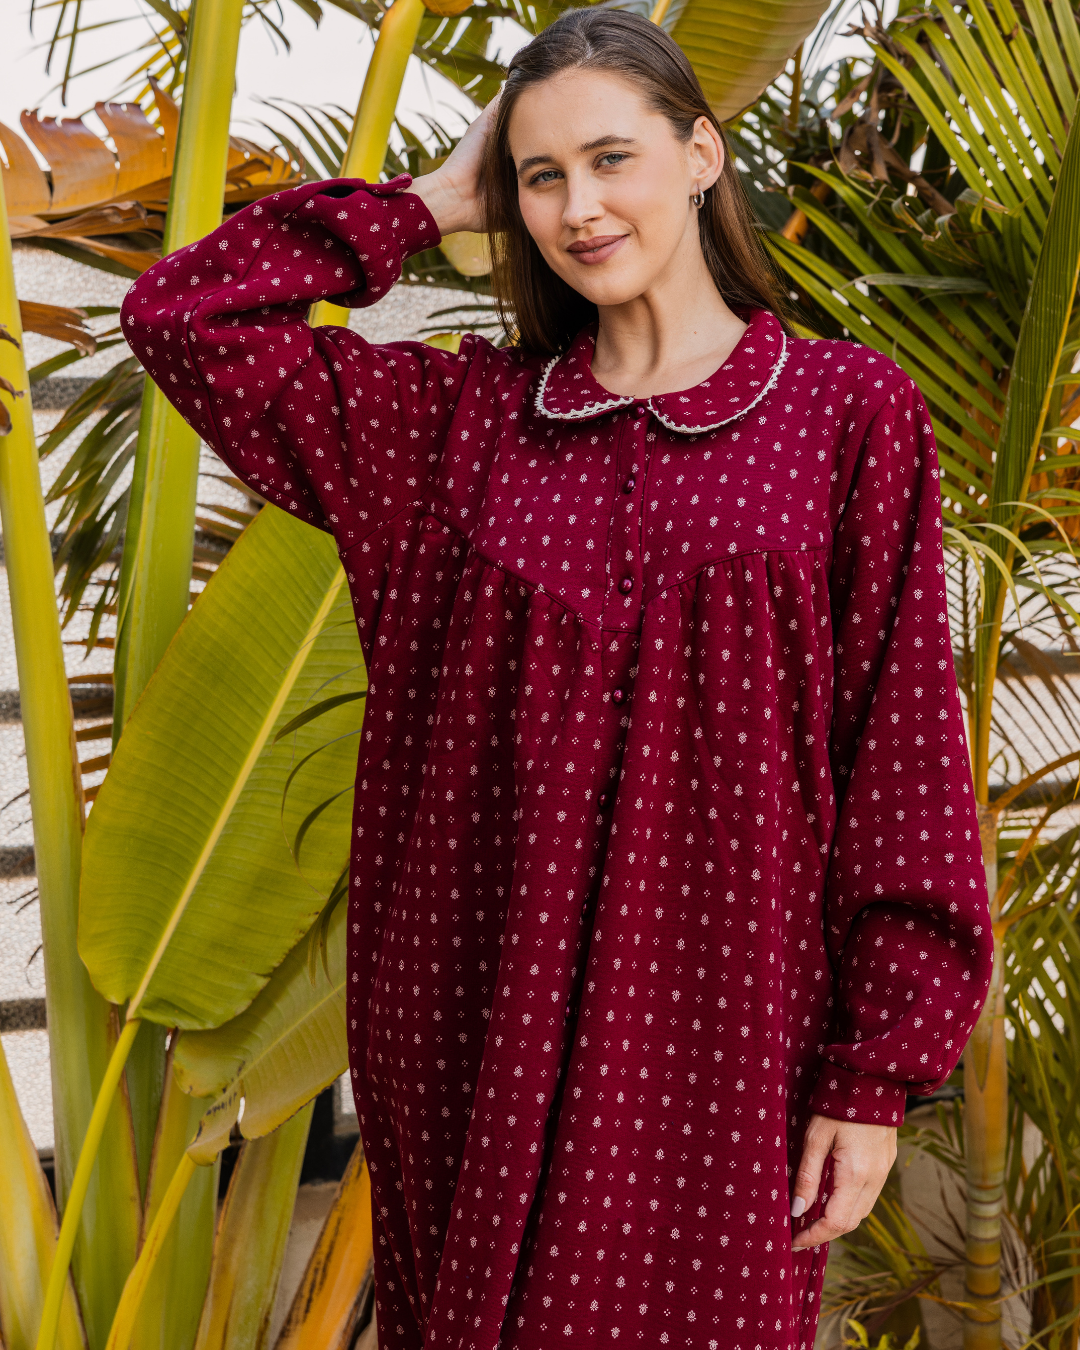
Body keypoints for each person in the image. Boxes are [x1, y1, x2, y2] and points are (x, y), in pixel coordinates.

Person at [121, 9, 993, 1348]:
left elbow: (904, 760)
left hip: (724, 1051)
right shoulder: (452, 430)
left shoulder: (844, 415)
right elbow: (183, 315)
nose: (579, 209)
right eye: (540, 177)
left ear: (701, 153)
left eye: (611, 159)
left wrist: (875, 1076)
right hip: (470, 1040)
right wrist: (432, 200)